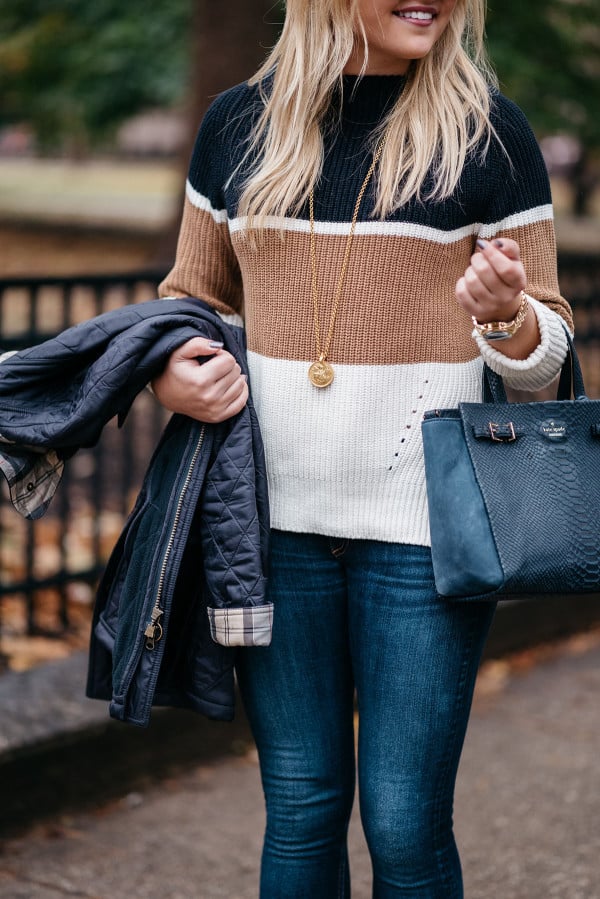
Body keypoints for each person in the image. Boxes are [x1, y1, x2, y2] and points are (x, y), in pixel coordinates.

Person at [151, 0, 573, 895]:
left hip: (425, 537)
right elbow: (192, 304)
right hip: (270, 531)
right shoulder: (237, 125)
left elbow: (547, 364)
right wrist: (173, 376)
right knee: (299, 809)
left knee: (403, 821)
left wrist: (505, 315)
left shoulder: (489, 135)